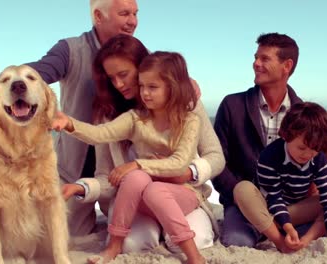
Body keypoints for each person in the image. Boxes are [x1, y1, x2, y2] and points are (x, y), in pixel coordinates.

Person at [62, 35, 223, 252]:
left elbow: (215, 156)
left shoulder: (186, 105)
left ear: (142, 68)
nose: (118, 84)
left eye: (124, 74)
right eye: (111, 78)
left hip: (179, 192)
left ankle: (175, 234)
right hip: (134, 203)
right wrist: (81, 187)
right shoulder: (110, 115)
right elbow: (107, 175)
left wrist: (187, 173)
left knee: (196, 241)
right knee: (134, 244)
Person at [27, 0, 139, 236]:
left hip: (116, 170)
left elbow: (161, 77)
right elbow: (40, 73)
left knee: (131, 229)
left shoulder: (136, 51)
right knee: (62, 234)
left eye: (135, 14)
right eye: (124, 13)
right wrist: (13, 78)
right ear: (98, 16)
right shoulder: (70, 49)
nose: (132, 21)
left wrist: (184, 81)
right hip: (73, 167)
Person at [212, 32, 303, 247]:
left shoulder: (302, 112)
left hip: (287, 205)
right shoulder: (232, 105)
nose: (256, 64)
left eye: (265, 59)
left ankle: (272, 231)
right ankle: (268, 232)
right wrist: (239, 197)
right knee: (237, 242)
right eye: (255, 57)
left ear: (286, 66)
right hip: (242, 200)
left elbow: (313, 164)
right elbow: (216, 161)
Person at [233, 102, 327, 252]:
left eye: (315, 149)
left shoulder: (319, 159)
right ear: (286, 135)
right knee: (242, 189)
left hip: (296, 210)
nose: (307, 154)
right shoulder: (270, 156)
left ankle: (305, 239)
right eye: (302, 148)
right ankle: (279, 241)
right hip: (269, 211)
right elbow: (273, 198)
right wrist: (288, 227)